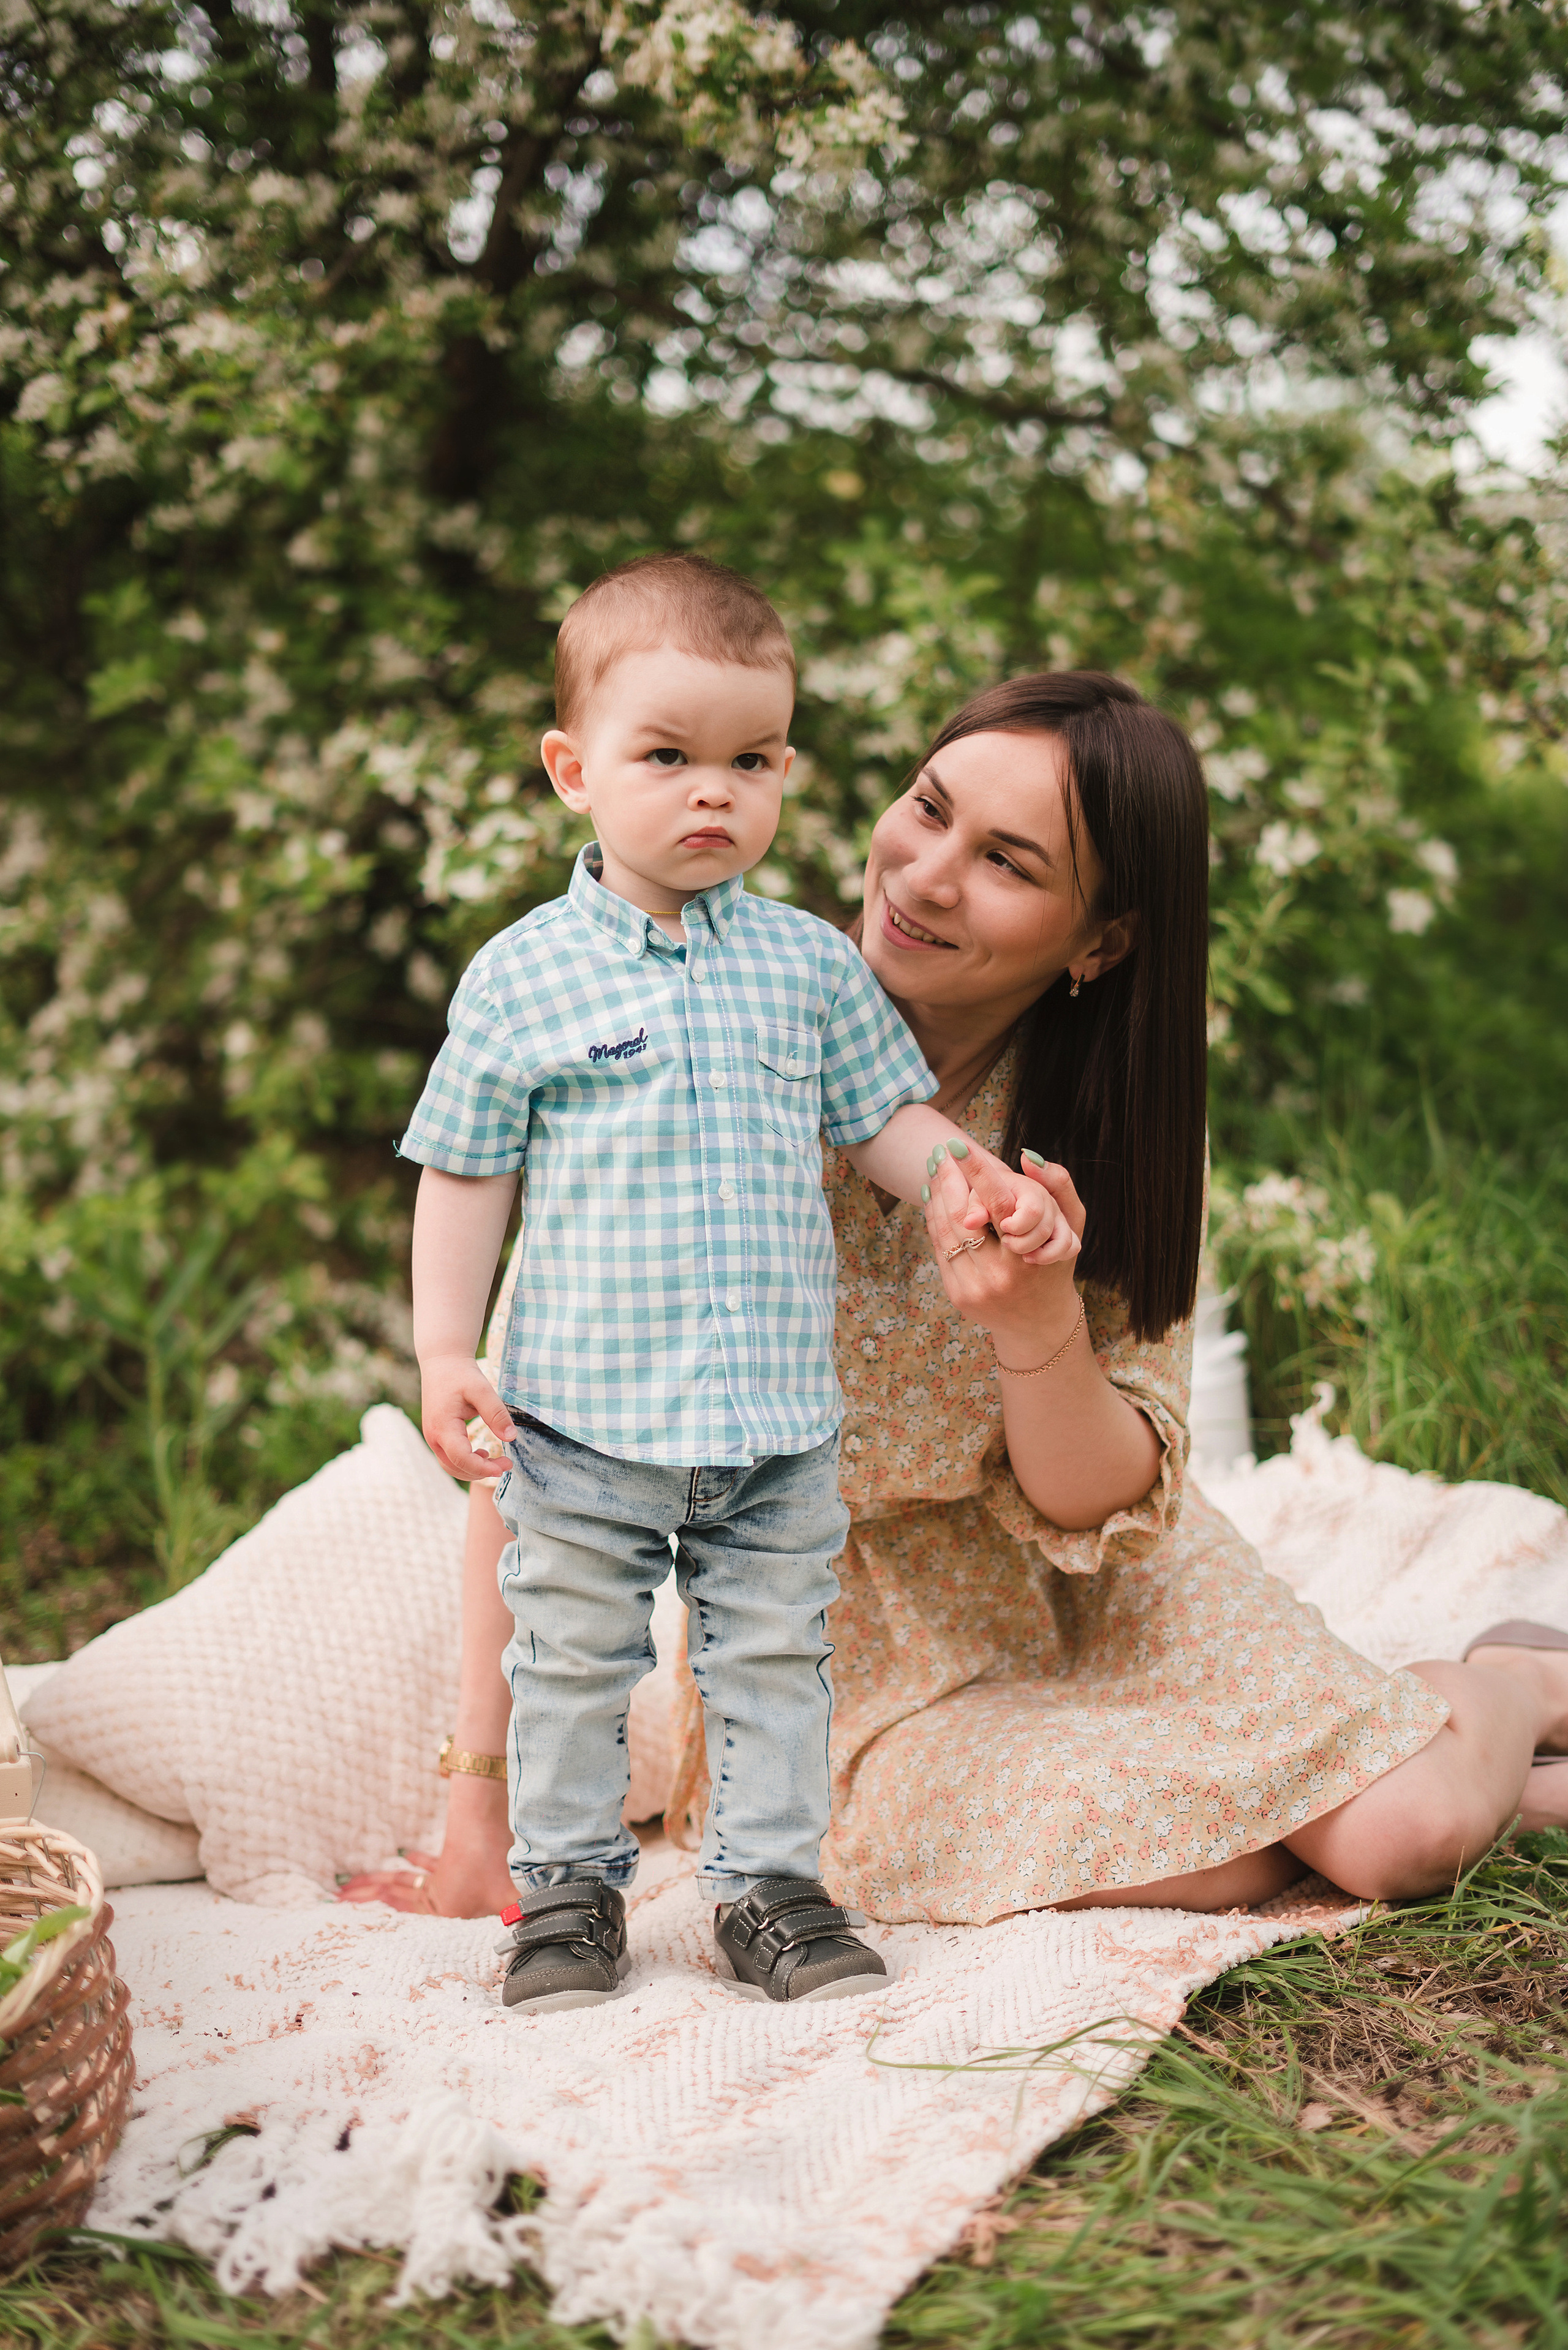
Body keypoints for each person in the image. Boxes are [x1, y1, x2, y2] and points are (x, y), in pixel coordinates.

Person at [348, 667, 1568, 1931]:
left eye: (1007, 861)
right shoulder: (717, 1036)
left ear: (1099, 940)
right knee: (1269, 1846)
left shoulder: (1113, 1120)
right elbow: (530, 1449)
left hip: (1106, 1588)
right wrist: (478, 1818)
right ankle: (1461, 1747)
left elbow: (1100, 1500)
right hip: (842, 1641)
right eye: (926, 808)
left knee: (1402, 1834)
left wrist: (1034, 1329)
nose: (925, 874)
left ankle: (1506, 1691)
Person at [397, 555, 1073, 2011]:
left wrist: (977, 1180)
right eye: (668, 757)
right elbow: (463, 1172)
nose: (715, 793)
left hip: (773, 1422)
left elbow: (886, 1121)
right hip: (581, 1423)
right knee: (573, 1659)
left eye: (751, 759)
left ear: (786, 768)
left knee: (772, 1662)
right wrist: (446, 1348)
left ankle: (768, 1889)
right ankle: (570, 1891)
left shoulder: (810, 971)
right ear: (574, 771)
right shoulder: (523, 979)